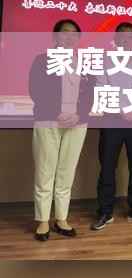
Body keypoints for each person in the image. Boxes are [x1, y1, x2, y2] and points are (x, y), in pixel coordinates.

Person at [29, 19, 95, 241]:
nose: (70, 37)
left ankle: (61, 219)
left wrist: (78, 115)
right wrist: (57, 112)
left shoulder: (84, 63)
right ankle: (42, 221)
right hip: (48, 121)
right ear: (55, 36)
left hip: (77, 123)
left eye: (74, 34)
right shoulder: (42, 60)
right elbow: (36, 90)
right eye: (65, 32)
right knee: (45, 172)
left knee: (66, 173)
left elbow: (91, 93)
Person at [91, 22, 132, 230]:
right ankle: (105, 211)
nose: (127, 40)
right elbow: (101, 89)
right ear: (116, 39)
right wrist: (121, 110)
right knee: (108, 166)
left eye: (131, 36)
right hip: (112, 119)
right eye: (123, 36)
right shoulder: (105, 62)